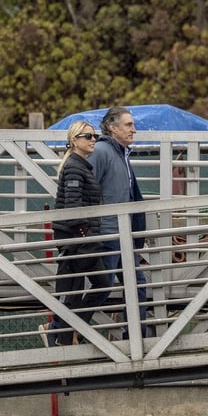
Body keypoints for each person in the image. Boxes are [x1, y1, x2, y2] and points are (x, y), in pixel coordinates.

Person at [41, 121, 111, 347]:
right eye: (87, 136)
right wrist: (83, 235)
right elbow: (73, 206)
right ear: (74, 141)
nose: (93, 140)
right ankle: (62, 334)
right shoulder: (74, 167)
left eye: (95, 136)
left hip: (80, 240)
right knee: (93, 285)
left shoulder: (79, 166)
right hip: (78, 241)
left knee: (79, 290)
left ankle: (65, 334)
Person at [89, 106, 148, 338]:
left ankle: (135, 338)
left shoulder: (121, 153)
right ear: (113, 128)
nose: (134, 129)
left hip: (122, 235)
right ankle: (62, 328)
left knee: (137, 285)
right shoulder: (102, 151)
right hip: (108, 234)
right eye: (128, 125)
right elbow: (88, 188)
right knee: (103, 288)